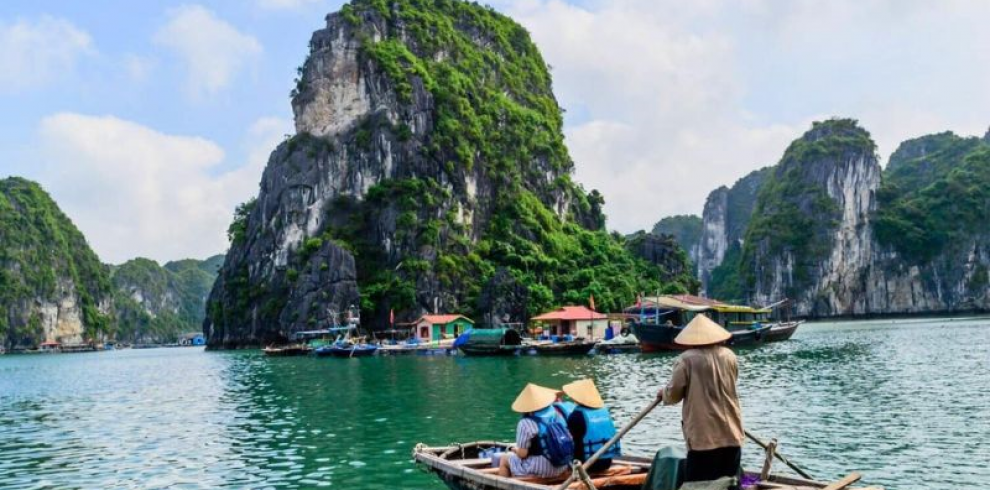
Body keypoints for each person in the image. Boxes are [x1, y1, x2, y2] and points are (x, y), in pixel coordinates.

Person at [657, 314, 743, 485]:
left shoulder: (686, 360)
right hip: (732, 433)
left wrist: (663, 393)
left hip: (704, 439)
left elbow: (673, 394)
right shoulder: (730, 356)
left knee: (698, 485)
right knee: (728, 484)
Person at [498, 383, 570, 478]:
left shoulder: (526, 422)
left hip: (540, 469)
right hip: (562, 464)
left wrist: (516, 450)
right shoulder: (557, 413)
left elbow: (523, 454)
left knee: (504, 459)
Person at [562, 379, 620, 472]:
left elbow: (569, 442)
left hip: (585, 465)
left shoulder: (576, 415)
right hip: (607, 462)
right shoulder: (604, 411)